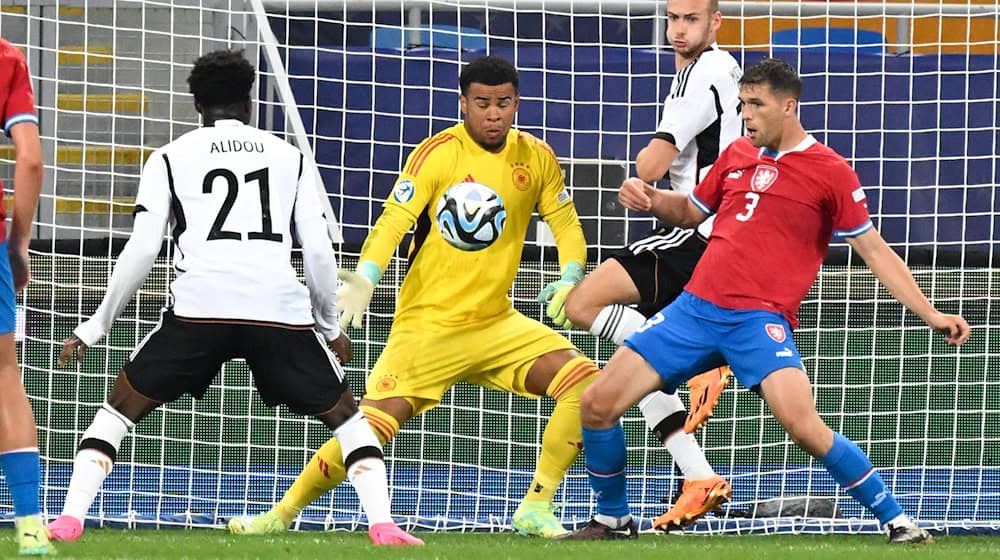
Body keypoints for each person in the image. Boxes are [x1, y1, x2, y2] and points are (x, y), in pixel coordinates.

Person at [565, 58, 970, 542]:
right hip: (694, 310)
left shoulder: (830, 172)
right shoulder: (736, 153)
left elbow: (876, 253)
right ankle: (613, 519)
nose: (747, 114)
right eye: (742, 104)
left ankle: (898, 521)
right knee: (597, 403)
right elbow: (689, 213)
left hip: (758, 322)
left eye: (756, 105)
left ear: (789, 106)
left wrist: (931, 312)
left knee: (805, 428)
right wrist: (652, 200)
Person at [45, 50, 421, 546]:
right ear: (249, 101)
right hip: (277, 311)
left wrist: (95, 325)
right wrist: (330, 326)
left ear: (196, 103)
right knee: (347, 417)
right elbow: (317, 251)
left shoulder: (169, 157)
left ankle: (70, 520)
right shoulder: (291, 157)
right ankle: (383, 524)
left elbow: (141, 248)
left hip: (200, 308)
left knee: (118, 408)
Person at [228, 55, 598, 539]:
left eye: (503, 103)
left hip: (496, 322)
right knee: (370, 426)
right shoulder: (436, 153)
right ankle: (281, 514)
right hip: (428, 327)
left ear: (517, 103)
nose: (493, 114)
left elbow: (565, 222)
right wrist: (364, 277)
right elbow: (394, 222)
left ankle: (535, 506)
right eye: (482, 103)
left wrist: (572, 275)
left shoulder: (536, 156)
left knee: (585, 382)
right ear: (462, 103)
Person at [541, 0, 743, 530]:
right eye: (673, 19)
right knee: (638, 364)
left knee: (583, 301)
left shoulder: (702, 74)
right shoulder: (720, 70)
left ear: (715, 22)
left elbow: (651, 163)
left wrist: (643, 178)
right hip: (713, 232)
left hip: (693, 229)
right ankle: (697, 475)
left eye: (691, 20)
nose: (679, 30)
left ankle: (699, 365)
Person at [0, 38, 50, 557]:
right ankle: (30, 527)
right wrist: (18, 242)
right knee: (3, 375)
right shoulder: (7, 58)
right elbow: (30, 160)